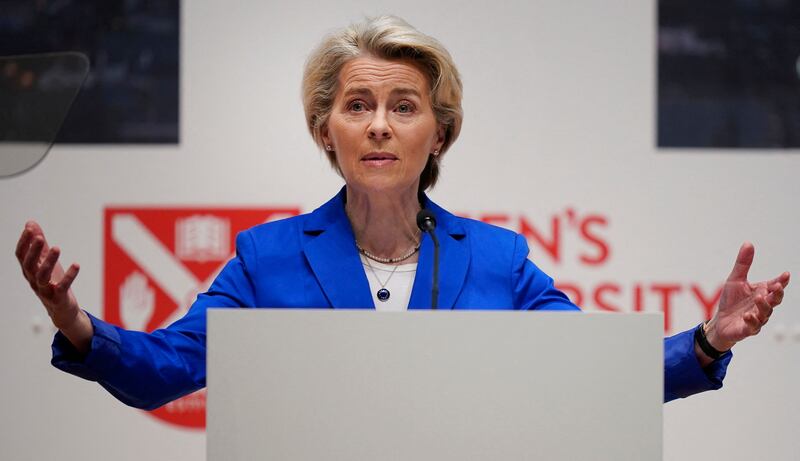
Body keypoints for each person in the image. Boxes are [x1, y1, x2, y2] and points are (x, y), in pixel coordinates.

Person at [15, 16, 790, 410]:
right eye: (357, 105)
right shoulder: (267, 258)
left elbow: (598, 377)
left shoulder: (498, 261)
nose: (379, 124)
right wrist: (79, 325)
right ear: (328, 130)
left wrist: (705, 340)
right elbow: (165, 372)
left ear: (439, 131)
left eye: (403, 105)